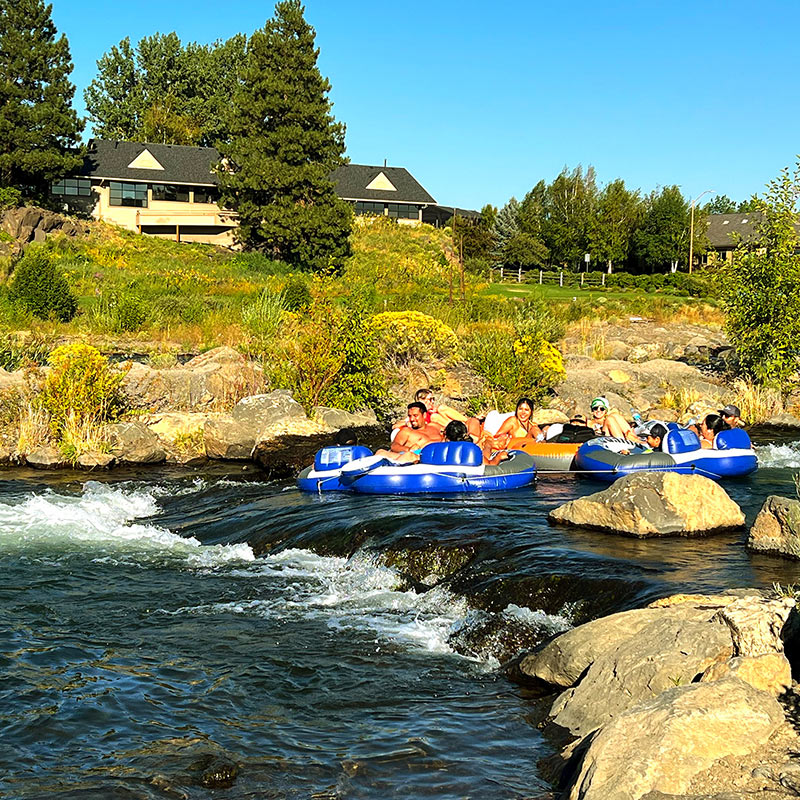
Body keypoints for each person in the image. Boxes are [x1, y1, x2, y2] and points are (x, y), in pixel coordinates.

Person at [377, 402, 442, 463]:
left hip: (439, 456)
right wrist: (408, 449)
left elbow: (450, 433)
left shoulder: (435, 426)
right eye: (410, 416)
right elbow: (394, 446)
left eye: (415, 415)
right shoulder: (407, 431)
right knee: (381, 453)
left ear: (424, 415)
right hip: (416, 458)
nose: (412, 419)